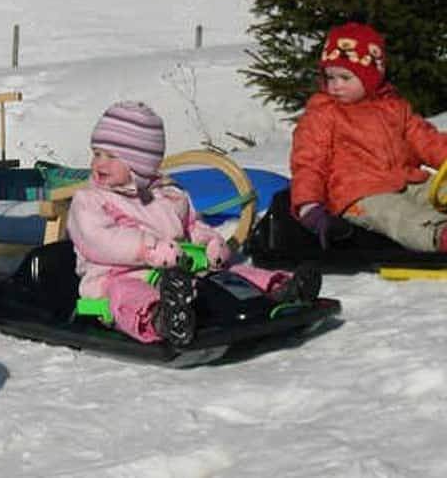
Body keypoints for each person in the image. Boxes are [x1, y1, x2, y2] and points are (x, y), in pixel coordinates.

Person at [67, 101, 320, 346]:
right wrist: (149, 250)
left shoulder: (168, 194)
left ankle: (280, 288)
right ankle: (163, 319)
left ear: (139, 163)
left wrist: (209, 242)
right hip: (117, 276)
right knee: (128, 295)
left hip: (181, 274)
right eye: (96, 153)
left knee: (227, 276)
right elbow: (97, 239)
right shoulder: (90, 200)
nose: (98, 163)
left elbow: (192, 224)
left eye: (110, 156)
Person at [291, 21, 447, 253]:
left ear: (372, 76)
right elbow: (308, 162)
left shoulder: (395, 108)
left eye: (345, 78)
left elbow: (427, 140)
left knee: (439, 191)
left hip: (407, 181)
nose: (335, 86)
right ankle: (439, 234)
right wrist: (308, 206)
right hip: (359, 196)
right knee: (397, 214)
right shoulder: (323, 114)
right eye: (330, 77)